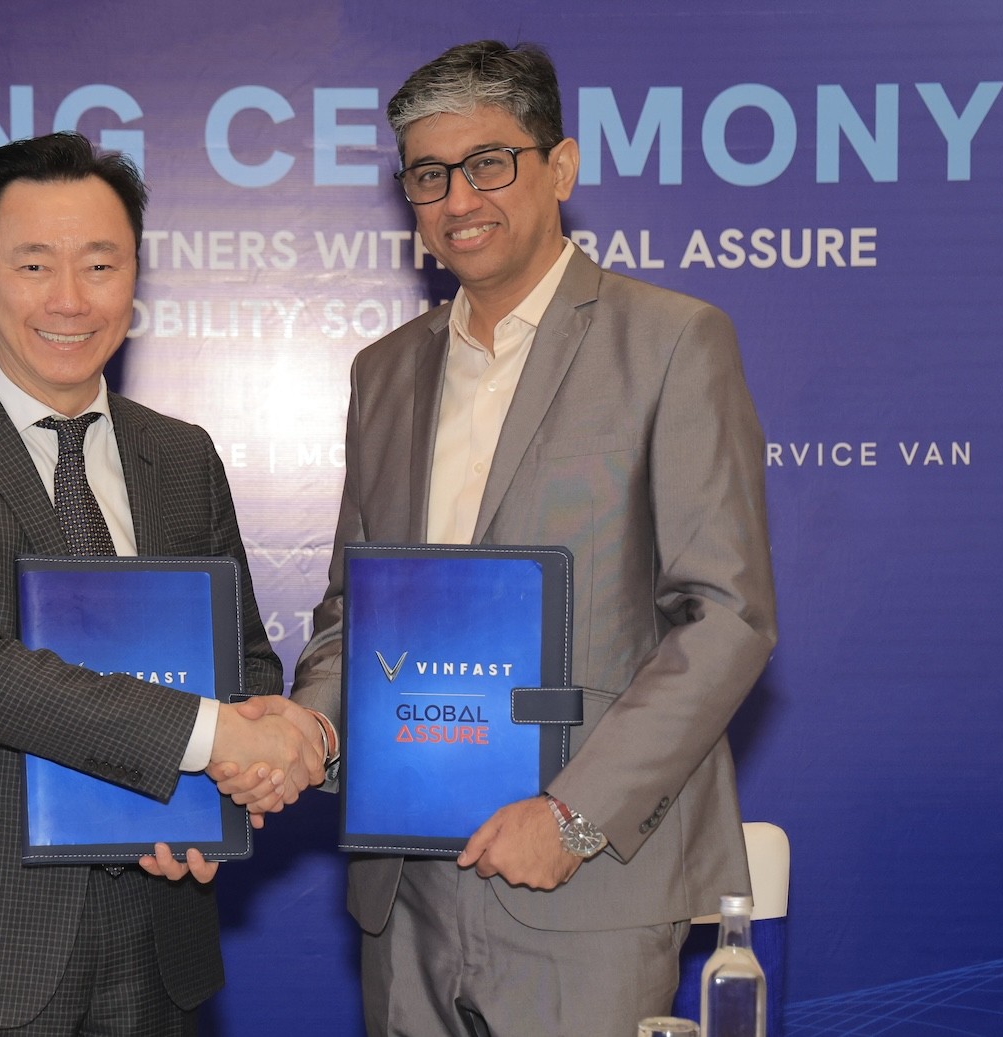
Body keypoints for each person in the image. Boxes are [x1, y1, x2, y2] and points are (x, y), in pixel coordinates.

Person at [266, 40, 777, 1036]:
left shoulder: (672, 340)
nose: (458, 198)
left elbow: (726, 616)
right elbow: (353, 610)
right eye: (428, 174)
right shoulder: (384, 371)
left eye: (489, 162)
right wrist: (308, 733)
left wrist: (573, 817)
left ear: (562, 167)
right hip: (405, 886)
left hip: (585, 883)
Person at [0, 131, 324, 1036]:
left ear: (134, 280)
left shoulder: (181, 456)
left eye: (100, 264)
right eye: (33, 265)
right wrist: (215, 738)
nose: (69, 298)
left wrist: (222, 789)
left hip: (159, 928)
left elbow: (241, 658)